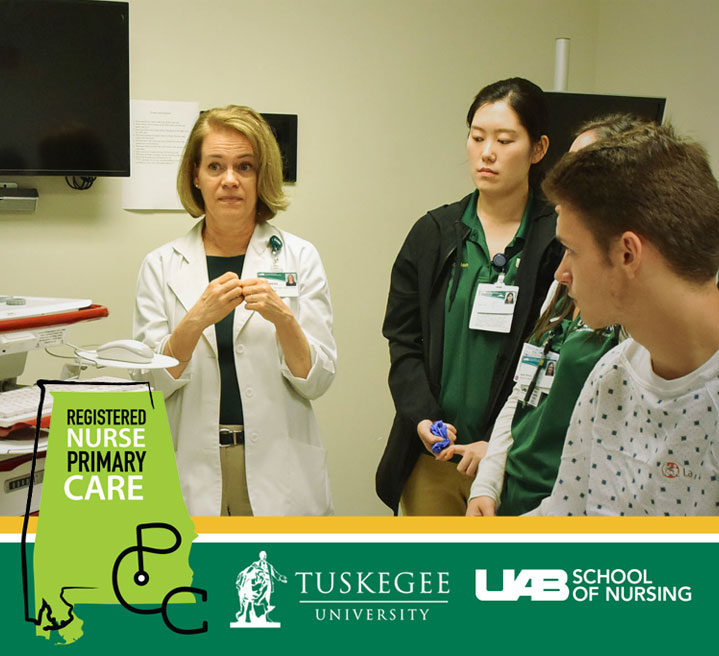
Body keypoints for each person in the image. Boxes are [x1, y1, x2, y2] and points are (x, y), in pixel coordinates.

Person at [133, 105, 336, 516]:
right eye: (215, 166)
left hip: (278, 468)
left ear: (262, 176)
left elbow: (317, 381)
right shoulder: (161, 265)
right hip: (190, 464)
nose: (230, 180)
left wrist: (284, 319)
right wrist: (195, 320)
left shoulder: (299, 257)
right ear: (195, 176)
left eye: (244, 166)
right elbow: (151, 385)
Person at [376, 78, 562, 515]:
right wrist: (422, 417)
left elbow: (561, 355)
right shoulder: (434, 233)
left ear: (538, 149)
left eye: (504, 140)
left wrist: (497, 443)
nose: (487, 153)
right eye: (477, 138)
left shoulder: (558, 239)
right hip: (435, 459)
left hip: (515, 462)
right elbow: (403, 339)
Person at [531, 122, 719, 515]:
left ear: (627, 254)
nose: (561, 273)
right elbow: (564, 518)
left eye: (571, 250)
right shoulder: (611, 375)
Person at [467, 114, 645, 517]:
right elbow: (522, 389)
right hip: (512, 493)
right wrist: (487, 485)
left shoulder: (630, 317)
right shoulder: (563, 285)